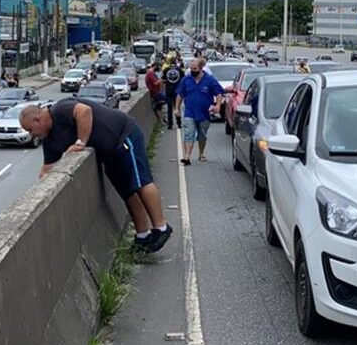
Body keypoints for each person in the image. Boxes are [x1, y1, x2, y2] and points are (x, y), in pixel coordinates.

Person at [19, 99, 173, 253]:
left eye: (30, 129)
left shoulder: (59, 110)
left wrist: (81, 142)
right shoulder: (50, 141)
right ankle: (142, 236)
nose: (32, 135)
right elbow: (47, 169)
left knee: (141, 182)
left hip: (123, 136)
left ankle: (161, 227)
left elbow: (84, 111)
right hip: (108, 153)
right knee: (128, 192)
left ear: (38, 120)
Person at [175, 59, 224, 165]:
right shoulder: (186, 80)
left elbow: (219, 93)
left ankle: (201, 153)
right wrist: (177, 108)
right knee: (188, 133)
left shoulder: (210, 80)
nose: (193, 71)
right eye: (191, 69)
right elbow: (180, 94)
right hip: (189, 112)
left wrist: (218, 106)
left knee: (202, 135)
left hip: (204, 113)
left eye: (195, 69)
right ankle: (187, 156)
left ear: (201, 68)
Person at [164, 60, 184, 129]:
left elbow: (163, 80)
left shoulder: (166, 70)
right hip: (177, 92)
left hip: (168, 91)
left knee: (169, 109)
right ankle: (179, 123)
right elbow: (183, 80)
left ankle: (170, 124)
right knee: (177, 108)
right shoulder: (179, 70)